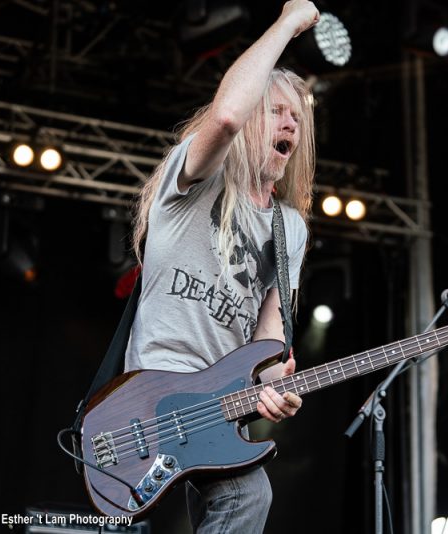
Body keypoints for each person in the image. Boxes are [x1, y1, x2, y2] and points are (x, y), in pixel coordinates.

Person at [124, 1, 320, 532]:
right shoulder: (195, 177)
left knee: (243, 495)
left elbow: (270, 337)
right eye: (276, 111)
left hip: (222, 405)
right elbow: (227, 116)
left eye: (298, 118)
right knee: (247, 495)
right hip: (155, 392)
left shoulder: (290, 228)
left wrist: (276, 384)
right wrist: (288, 22)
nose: (291, 123)